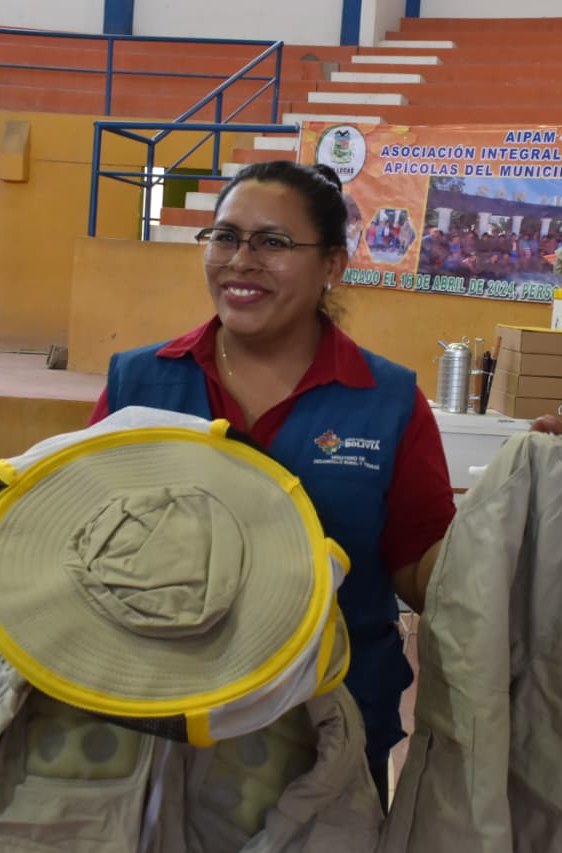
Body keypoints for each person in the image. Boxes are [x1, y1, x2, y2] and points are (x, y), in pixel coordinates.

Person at [87, 160, 457, 808]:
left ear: (333, 266)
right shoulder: (138, 383)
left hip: (330, 731)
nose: (242, 260)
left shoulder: (387, 401)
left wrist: (518, 502)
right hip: (163, 725)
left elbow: (420, 574)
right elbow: (83, 537)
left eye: (274, 242)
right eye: (226, 237)